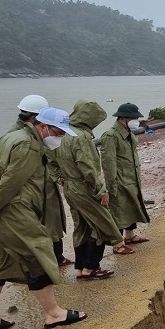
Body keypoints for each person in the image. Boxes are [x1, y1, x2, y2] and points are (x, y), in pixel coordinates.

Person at [0, 107, 87, 329]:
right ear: (42, 126)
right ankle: (54, 314)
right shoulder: (28, 145)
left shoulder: (10, 137)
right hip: (13, 209)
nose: (60, 137)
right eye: (58, 132)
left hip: (3, 210)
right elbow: (8, 184)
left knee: (2, 262)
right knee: (38, 253)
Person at [57, 100, 124, 279]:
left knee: (82, 226)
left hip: (70, 186)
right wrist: (101, 189)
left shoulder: (66, 134)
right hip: (83, 187)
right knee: (101, 224)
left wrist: (61, 178)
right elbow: (87, 166)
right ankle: (91, 267)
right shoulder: (82, 137)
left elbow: (54, 161)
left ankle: (81, 268)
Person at [12, 95, 72, 267]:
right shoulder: (21, 137)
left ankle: (57, 257)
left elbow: (51, 155)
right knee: (38, 226)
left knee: (53, 222)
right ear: (34, 117)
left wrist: (57, 174)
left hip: (45, 184)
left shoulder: (35, 132)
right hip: (33, 189)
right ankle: (40, 263)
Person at [101, 102, 150, 254]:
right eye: (134, 118)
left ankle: (130, 235)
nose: (137, 121)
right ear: (124, 119)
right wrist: (111, 185)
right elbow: (108, 162)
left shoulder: (128, 133)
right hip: (120, 179)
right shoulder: (111, 136)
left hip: (132, 177)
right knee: (119, 210)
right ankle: (118, 244)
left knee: (131, 205)